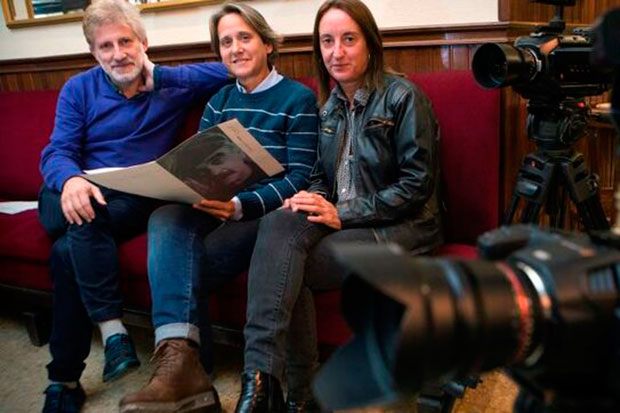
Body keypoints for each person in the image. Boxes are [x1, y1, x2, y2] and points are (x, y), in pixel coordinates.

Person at [236, 0, 443, 411]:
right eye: (327, 41)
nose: (337, 52)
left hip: (403, 225)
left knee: (293, 269)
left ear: (370, 44)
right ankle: (261, 381)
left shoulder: (403, 98)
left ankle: (297, 395)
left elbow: (416, 187)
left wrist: (341, 213)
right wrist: (307, 199)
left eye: (349, 39)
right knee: (279, 223)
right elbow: (320, 177)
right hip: (348, 222)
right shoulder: (328, 106)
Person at [119, 3, 318, 413]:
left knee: (184, 266)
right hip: (213, 208)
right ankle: (182, 366)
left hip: (262, 217)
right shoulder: (221, 98)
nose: (236, 48)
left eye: (244, 38)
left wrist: (240, 204)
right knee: (164, 216)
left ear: (267, 43)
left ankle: (192, 376)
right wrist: (183, 185)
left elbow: (301, 177)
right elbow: (201, 161)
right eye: (226, 42)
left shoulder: (298, 98)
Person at [37, 0, 229, 411]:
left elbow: (232, 69)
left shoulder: (172, 83)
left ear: (144, 42)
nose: (118, 53)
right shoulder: (79, 89)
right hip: (81, 192)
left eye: (126, 41)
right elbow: (58, 151)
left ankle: (66, 378)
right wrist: (70, 179)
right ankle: (111, 332)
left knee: (66, 250)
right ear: (94, 53)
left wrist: (161, 75)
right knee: (70, 212)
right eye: (106, 46)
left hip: (133, 201)